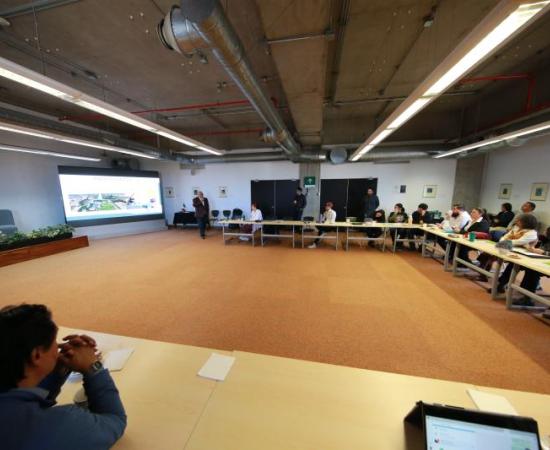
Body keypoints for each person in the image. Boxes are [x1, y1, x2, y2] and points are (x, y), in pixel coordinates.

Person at [0, 304, 126, 450]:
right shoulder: (58, 425)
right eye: (54, 341)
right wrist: (93, 368)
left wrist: (56, 369)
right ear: (37, 355)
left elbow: (21, 398)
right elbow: (115, 420)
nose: (59, 347)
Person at [490, 214, 540, 296]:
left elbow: (518, 242)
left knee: (512, 266)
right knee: (511, 266)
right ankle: (500, 285)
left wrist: (504, 242)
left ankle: (501, 285)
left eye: (519, 220)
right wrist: (503, 241)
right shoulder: (516, 228)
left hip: (526, 257)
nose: (516, 221)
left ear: (526, 222)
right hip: (515, 252)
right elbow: (504, 237)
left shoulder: (532, 233)